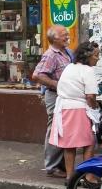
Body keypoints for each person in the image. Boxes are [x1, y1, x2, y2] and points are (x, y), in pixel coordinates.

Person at [49, 41, 101, 183]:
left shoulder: (69, 67)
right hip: (79, 110)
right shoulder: (88, 71)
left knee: (69, 145)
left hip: (64, 109)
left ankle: (70, 176)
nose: (98, 58)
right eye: (96, 55)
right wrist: (95, 109)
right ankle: (89, 176)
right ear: (88, 56)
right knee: (89, 143)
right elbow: (90, 96)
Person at [31, 25, 73, 177]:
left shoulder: (67, 52)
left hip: (65, 97)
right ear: (54, 38)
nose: (67, 35)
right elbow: (37, 75)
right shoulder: (51, 55)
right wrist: (59, 85)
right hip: (55, 96)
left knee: (63, 130)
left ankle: (61, 164)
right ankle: (52, 167)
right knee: (55, 130)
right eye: (64, 34)